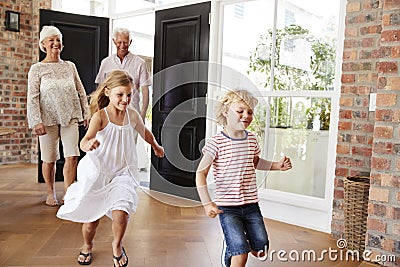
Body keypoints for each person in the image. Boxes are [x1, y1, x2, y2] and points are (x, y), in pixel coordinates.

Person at [56, 70, 164, 267]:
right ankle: (87, 245)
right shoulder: (101, 117)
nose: (125, 99)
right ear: (107, 92)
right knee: (91, 222)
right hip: (99, 173)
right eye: (120, 95)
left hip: (123, 172)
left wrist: (156, 146)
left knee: (121, 212)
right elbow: (85, 140)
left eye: (129, 94)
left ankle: (117, 245)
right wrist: (87, 145)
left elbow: (144, 132)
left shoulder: (132, 115)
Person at [195, 90, 292, 267]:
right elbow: (200, 173)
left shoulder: (252, 139)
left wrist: (276, 166)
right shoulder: (216, 142)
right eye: (240, 111)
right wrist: (207, 203)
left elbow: (255, 162)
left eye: (250, 112)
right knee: (241, 254)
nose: (246, 116)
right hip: (228, 208)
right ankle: (235, 248)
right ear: (226, 111)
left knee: (260, 249)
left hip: (251, 205)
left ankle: (232, 248)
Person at [27, 25, 90, 207]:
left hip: (70, 115)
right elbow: (32, 97)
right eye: (51, 40)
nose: (56, 43)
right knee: (49, 158)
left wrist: (86, 112)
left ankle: (69, 192)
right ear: (43, 44)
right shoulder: (37, 69)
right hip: (47, 119)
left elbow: (80, 90)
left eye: (58, 40)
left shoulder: (70, 66)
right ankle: (50, 191)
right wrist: (36, 121)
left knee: (72, 155)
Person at [95, 27, 150, 121]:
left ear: (130, 42)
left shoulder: (140, 63)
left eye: (125, 42)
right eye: (119, 42)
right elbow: (100, 90)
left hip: (132, 114)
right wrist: (98, 112)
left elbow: (145, 91)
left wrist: (143, 115)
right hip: (110, 114)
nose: (122, 45)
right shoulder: (106, 62)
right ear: (114, 41)